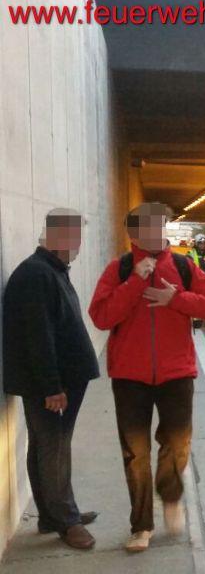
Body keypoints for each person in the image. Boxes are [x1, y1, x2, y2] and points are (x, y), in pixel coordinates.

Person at [88, 202, 205, 553]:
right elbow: (102, 317)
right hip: (130, 375)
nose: (156, 234)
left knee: (177, 443)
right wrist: (135, 281)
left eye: (160, 226)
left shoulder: (183, 266)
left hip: (176, 372)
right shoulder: (119, 269)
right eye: (148, 228)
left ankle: (170, 495)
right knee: (135, 453)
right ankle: (141, 526)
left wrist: (175, 298)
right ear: (133, 234)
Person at [3, 209, 100, 550]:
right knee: (54, 449)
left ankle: (50, 514)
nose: (77, 247)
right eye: (74, 239)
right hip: (53, 385)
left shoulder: (50, 270)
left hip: (61, 381)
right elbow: (38, 337)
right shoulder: (36, 275)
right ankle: (66, 521)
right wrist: (51, 387)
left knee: (47, 447)